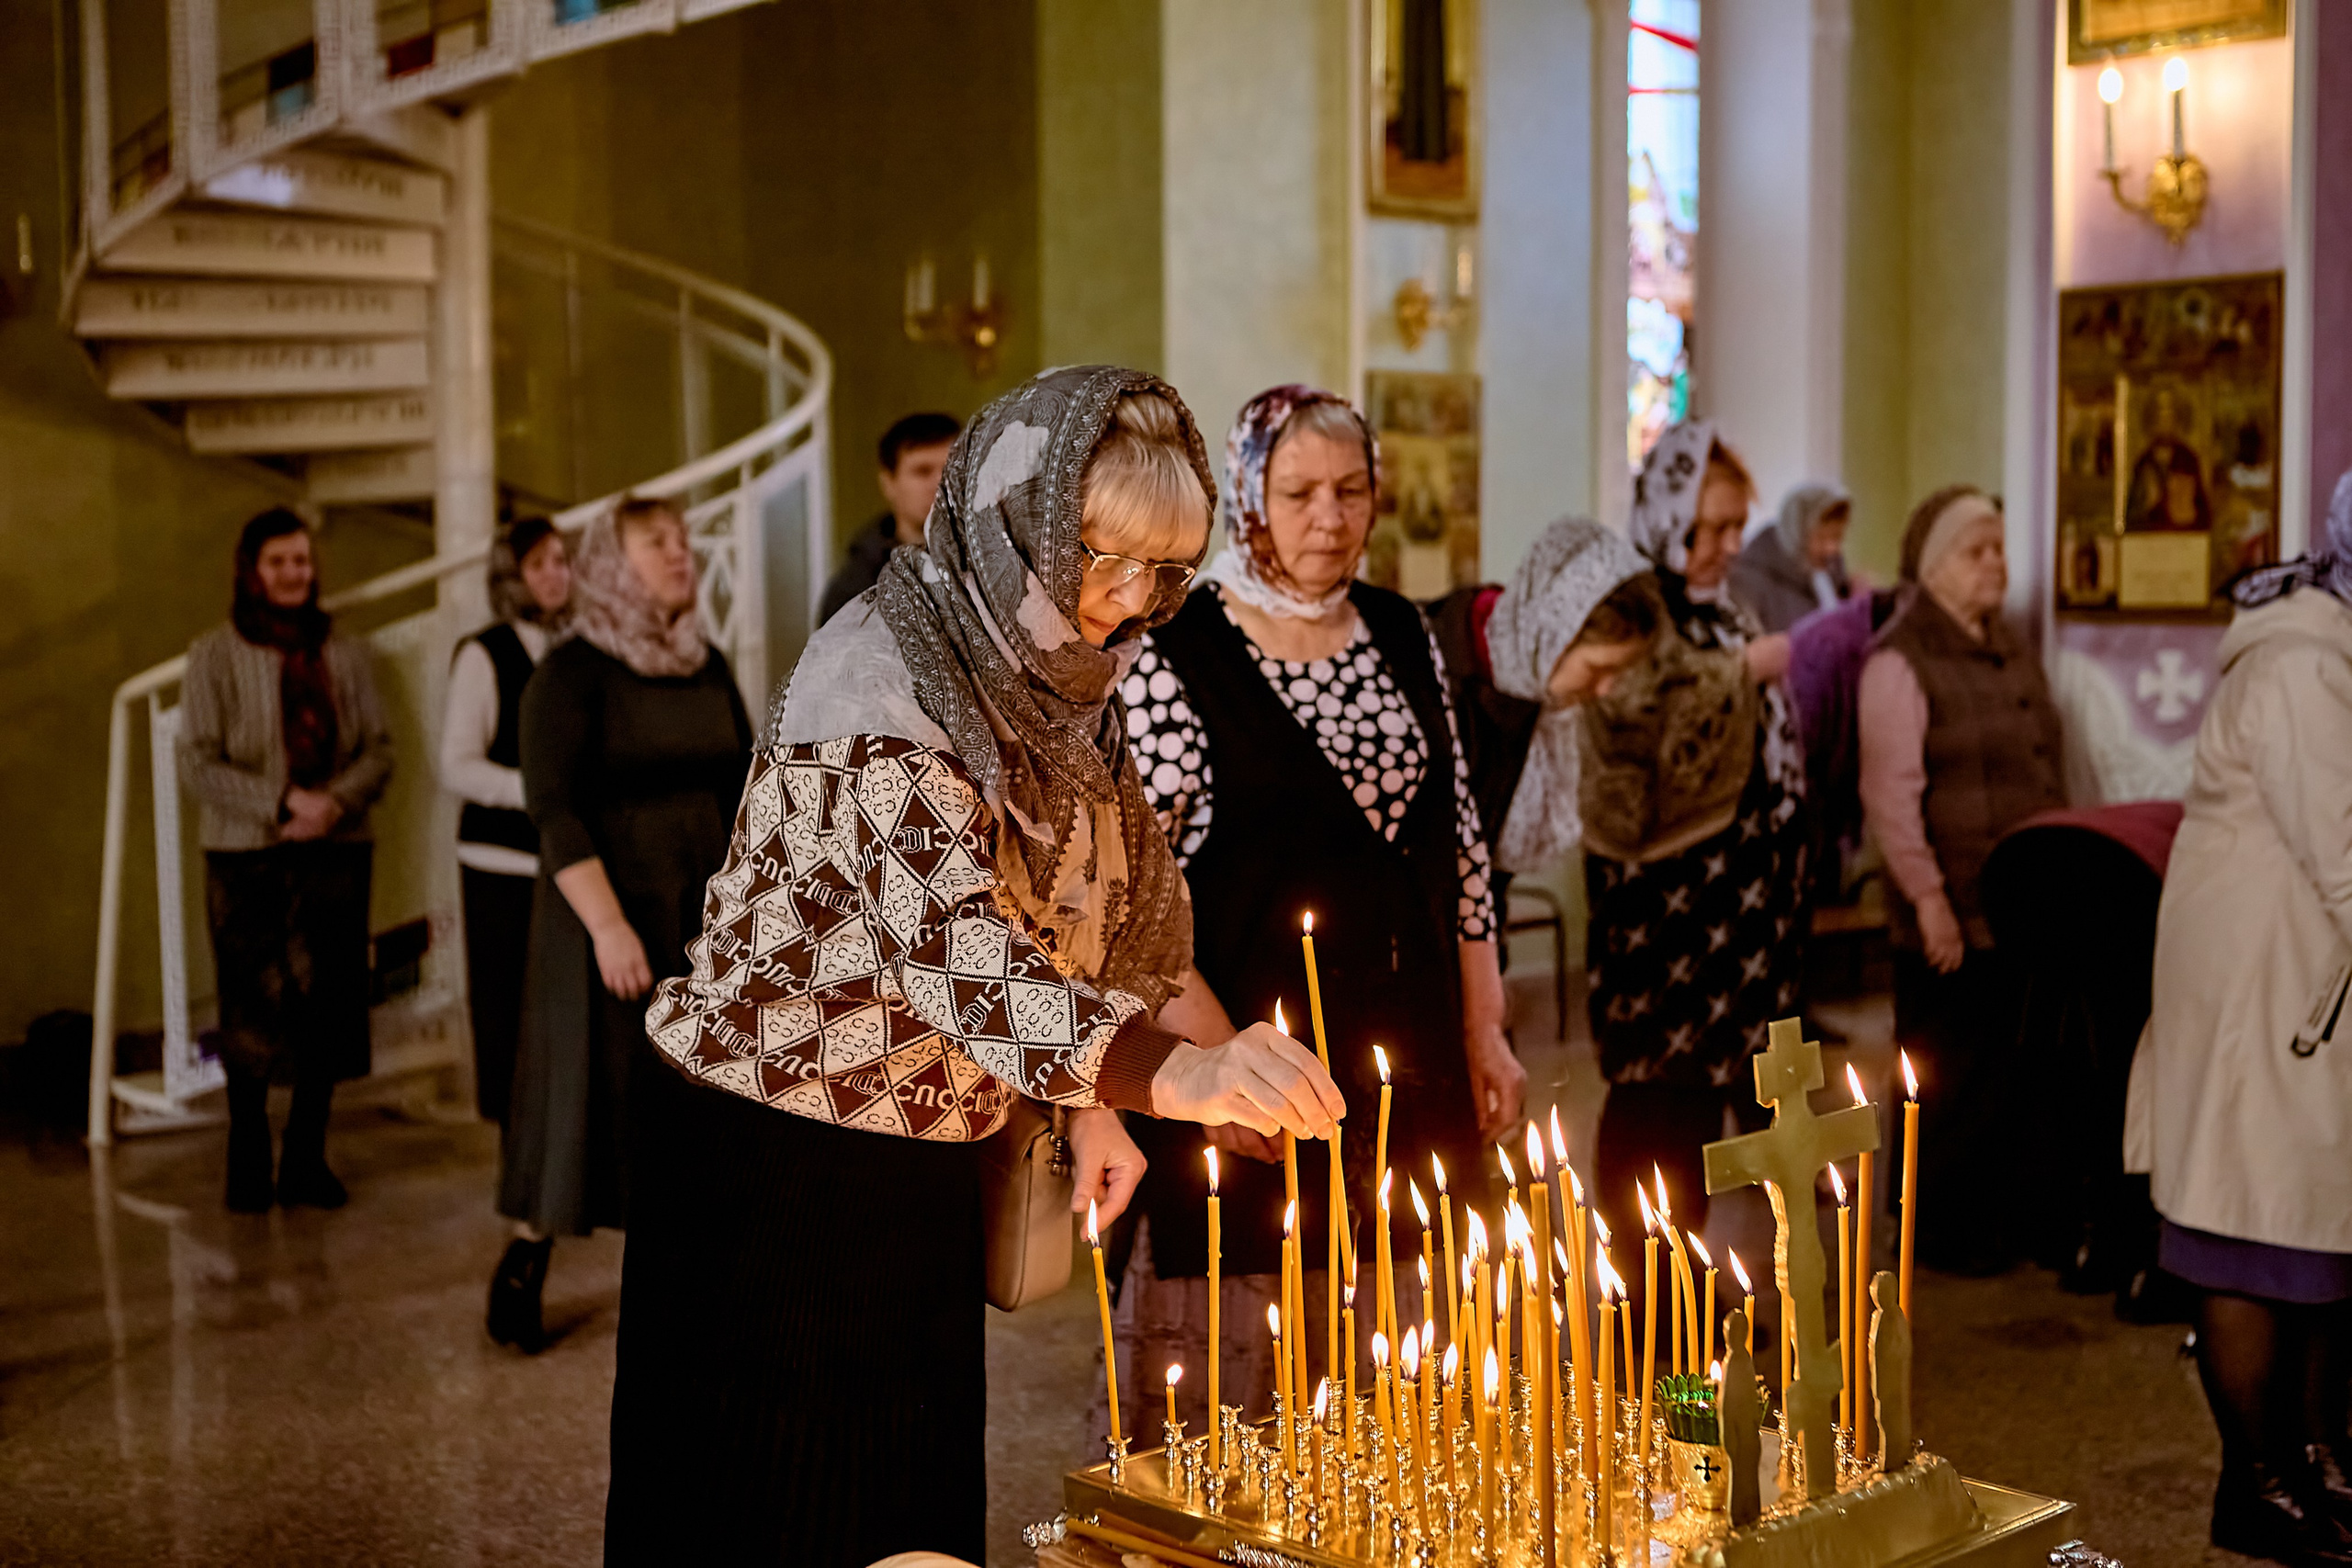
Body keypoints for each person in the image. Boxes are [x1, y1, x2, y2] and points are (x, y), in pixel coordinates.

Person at [621, 367, 1345, 1567]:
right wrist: (1177, 1078)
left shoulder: (1061, 668)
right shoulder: (878, 674)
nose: (1124, 600)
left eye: (1159, 567)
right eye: (1101, 556)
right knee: (793, 1504)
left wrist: (1082, 1098)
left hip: (923, 1143)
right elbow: (957, 951)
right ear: (1021, 517)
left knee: (907, 1494)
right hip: (778, 1155)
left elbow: (1098, 906)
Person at [1106, 385, 1520, 1438]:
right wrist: (1215, 1058)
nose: (1328, 518)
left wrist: (1486, 1029)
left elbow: (1460, 844)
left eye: (1350, 490)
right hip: (1250, 1036)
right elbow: (1130, 898)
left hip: (1408, 1035)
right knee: (1254, 1351)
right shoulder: (1177, 647)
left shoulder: (1396, 627)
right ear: (1246, 495)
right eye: (1297, 493)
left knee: (1404, 1310)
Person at [2133, 470, 2352, 1567]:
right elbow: (2346, 852)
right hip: (2257, 998)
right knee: (2251, 1239)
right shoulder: (2305, 666)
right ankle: (2250, 1483)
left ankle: (2310, 1466)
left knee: (2310, 1244)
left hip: (2302, 991)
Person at [489, 497, 752, 1353]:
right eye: (656, 544)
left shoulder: (704, 661)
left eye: (682, 541)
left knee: (688, 1106)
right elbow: (553, 810)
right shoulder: (569, 674)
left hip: (696, 914)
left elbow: (742, 783)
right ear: (610, 561)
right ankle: (528, 1257)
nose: (680, 555)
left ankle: (685, 1283)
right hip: (602, 913)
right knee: (588, 1102)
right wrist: (606, 927)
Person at [1583, 420, 1810, 1236]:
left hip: (1744, 905)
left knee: (1712, 1100)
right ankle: (1638, 1302)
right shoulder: (1630, 605)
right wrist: (1742, 674)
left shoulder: (1727, 609)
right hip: (1662, 912)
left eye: (1732, 527)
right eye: (1706, 525)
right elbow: (1629, 719)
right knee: (1657, 1104)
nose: (1722, 544)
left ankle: (1684, 1280)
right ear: (1662, 515)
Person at [1860, 484, 2064, 1274]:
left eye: (2000, 550)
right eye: (1977, 551)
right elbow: (1891, 792)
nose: (1996, 565)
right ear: (1936, 566)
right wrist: (1929, 899)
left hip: (2020, 900)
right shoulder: (1900, 659)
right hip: (1947, 905)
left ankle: (2003, 1216)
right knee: (1944, 1073)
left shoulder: (2005, 644)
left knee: (2008, 1068)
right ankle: (1937, 1227)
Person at [179, 508, 394, 1213]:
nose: (295, 573)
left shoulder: (347, 653)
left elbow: (380, 750)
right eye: (280, 561)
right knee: (251, 1009)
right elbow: (199, 762)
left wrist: (332, 802)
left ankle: (306, 1158)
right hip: (247, 856)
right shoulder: (212, 654)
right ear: (252, 569)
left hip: (336, 847)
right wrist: (281, 803)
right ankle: (247, 1161)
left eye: (302, 560)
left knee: (328, 1007)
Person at [439, 515, 571, 1136]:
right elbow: (457, 765)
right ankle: (513, 1144)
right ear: (511, 576)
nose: (555, 574)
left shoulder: (580, 646)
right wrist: (533, 792)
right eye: (539, 562)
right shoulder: (483, 653)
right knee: (505, 1013)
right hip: (501, 864)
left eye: (562, 560)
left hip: (567, 857)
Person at [816, 410, 960, 624]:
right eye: (922, 471)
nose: (940, 484)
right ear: (888, 483)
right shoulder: (855, 591)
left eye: (952, 468)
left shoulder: (998, 563)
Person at [1730, 481, 1852, 633]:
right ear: (1797, 534)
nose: (1832, 549)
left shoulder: (1831, 576)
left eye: (1837, 537)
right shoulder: (1750, 581)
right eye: (1821, 538)